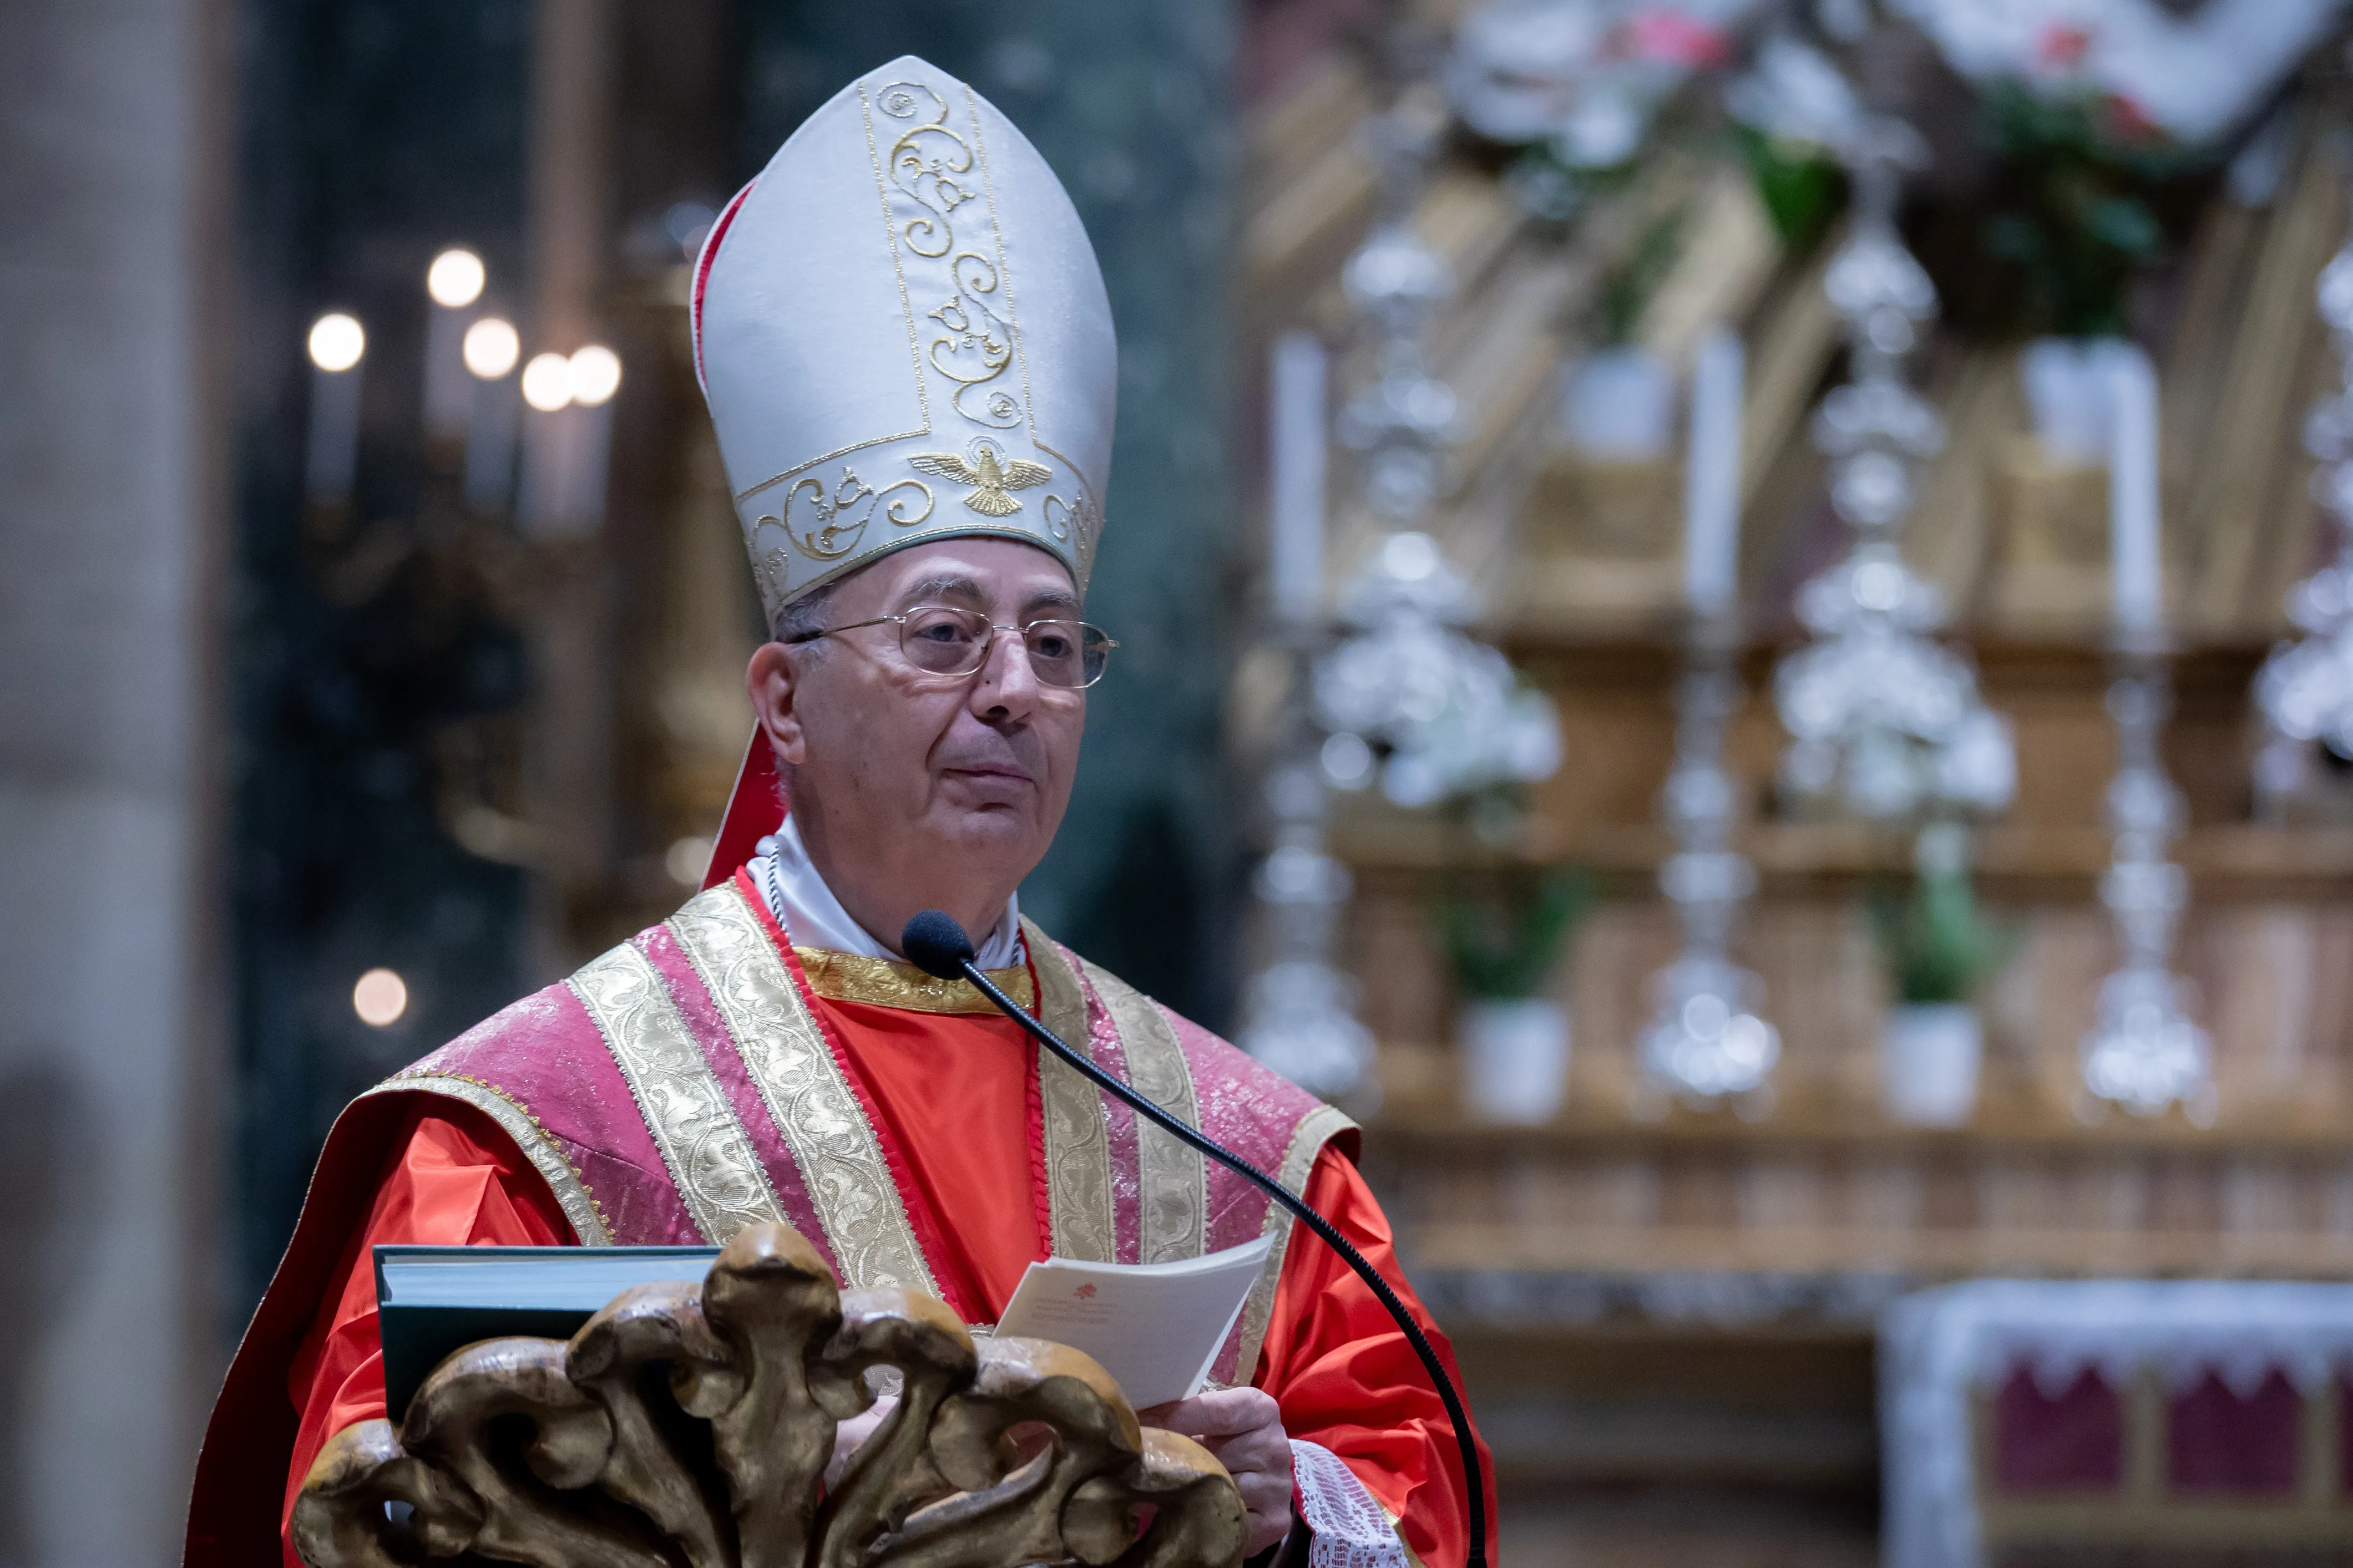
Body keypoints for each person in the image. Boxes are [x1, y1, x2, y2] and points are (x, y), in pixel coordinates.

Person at [186, 54, 1490, 1568]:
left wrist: (1284, 1525)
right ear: (785, 702)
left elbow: (1416, 1495)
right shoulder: (535, 1130)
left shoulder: (1243, 1159)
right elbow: (367, 1514)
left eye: (1056, 644)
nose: (1013, 688)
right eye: (944, 634)